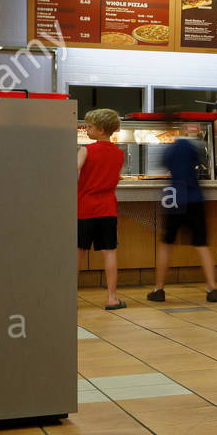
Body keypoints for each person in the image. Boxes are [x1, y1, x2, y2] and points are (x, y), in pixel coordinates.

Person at [147, 131, 217, 304]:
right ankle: (212, 288)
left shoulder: (169, 149)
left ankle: (159, 289)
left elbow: (164, 167)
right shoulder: (195, 147)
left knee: (166, 244)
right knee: (202, 244)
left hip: (174, 197)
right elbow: (201, 164)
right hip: (195, 197)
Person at [77, 108, 125, 310]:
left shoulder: (86, 150)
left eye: (90, 126)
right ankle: (112, 298)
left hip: (85, 208)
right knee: (109, 253)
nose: (86, 129)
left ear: (101, 129)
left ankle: (69, 297)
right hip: (108, 209)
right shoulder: (119, 153)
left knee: (77, 252)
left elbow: (72, 170)